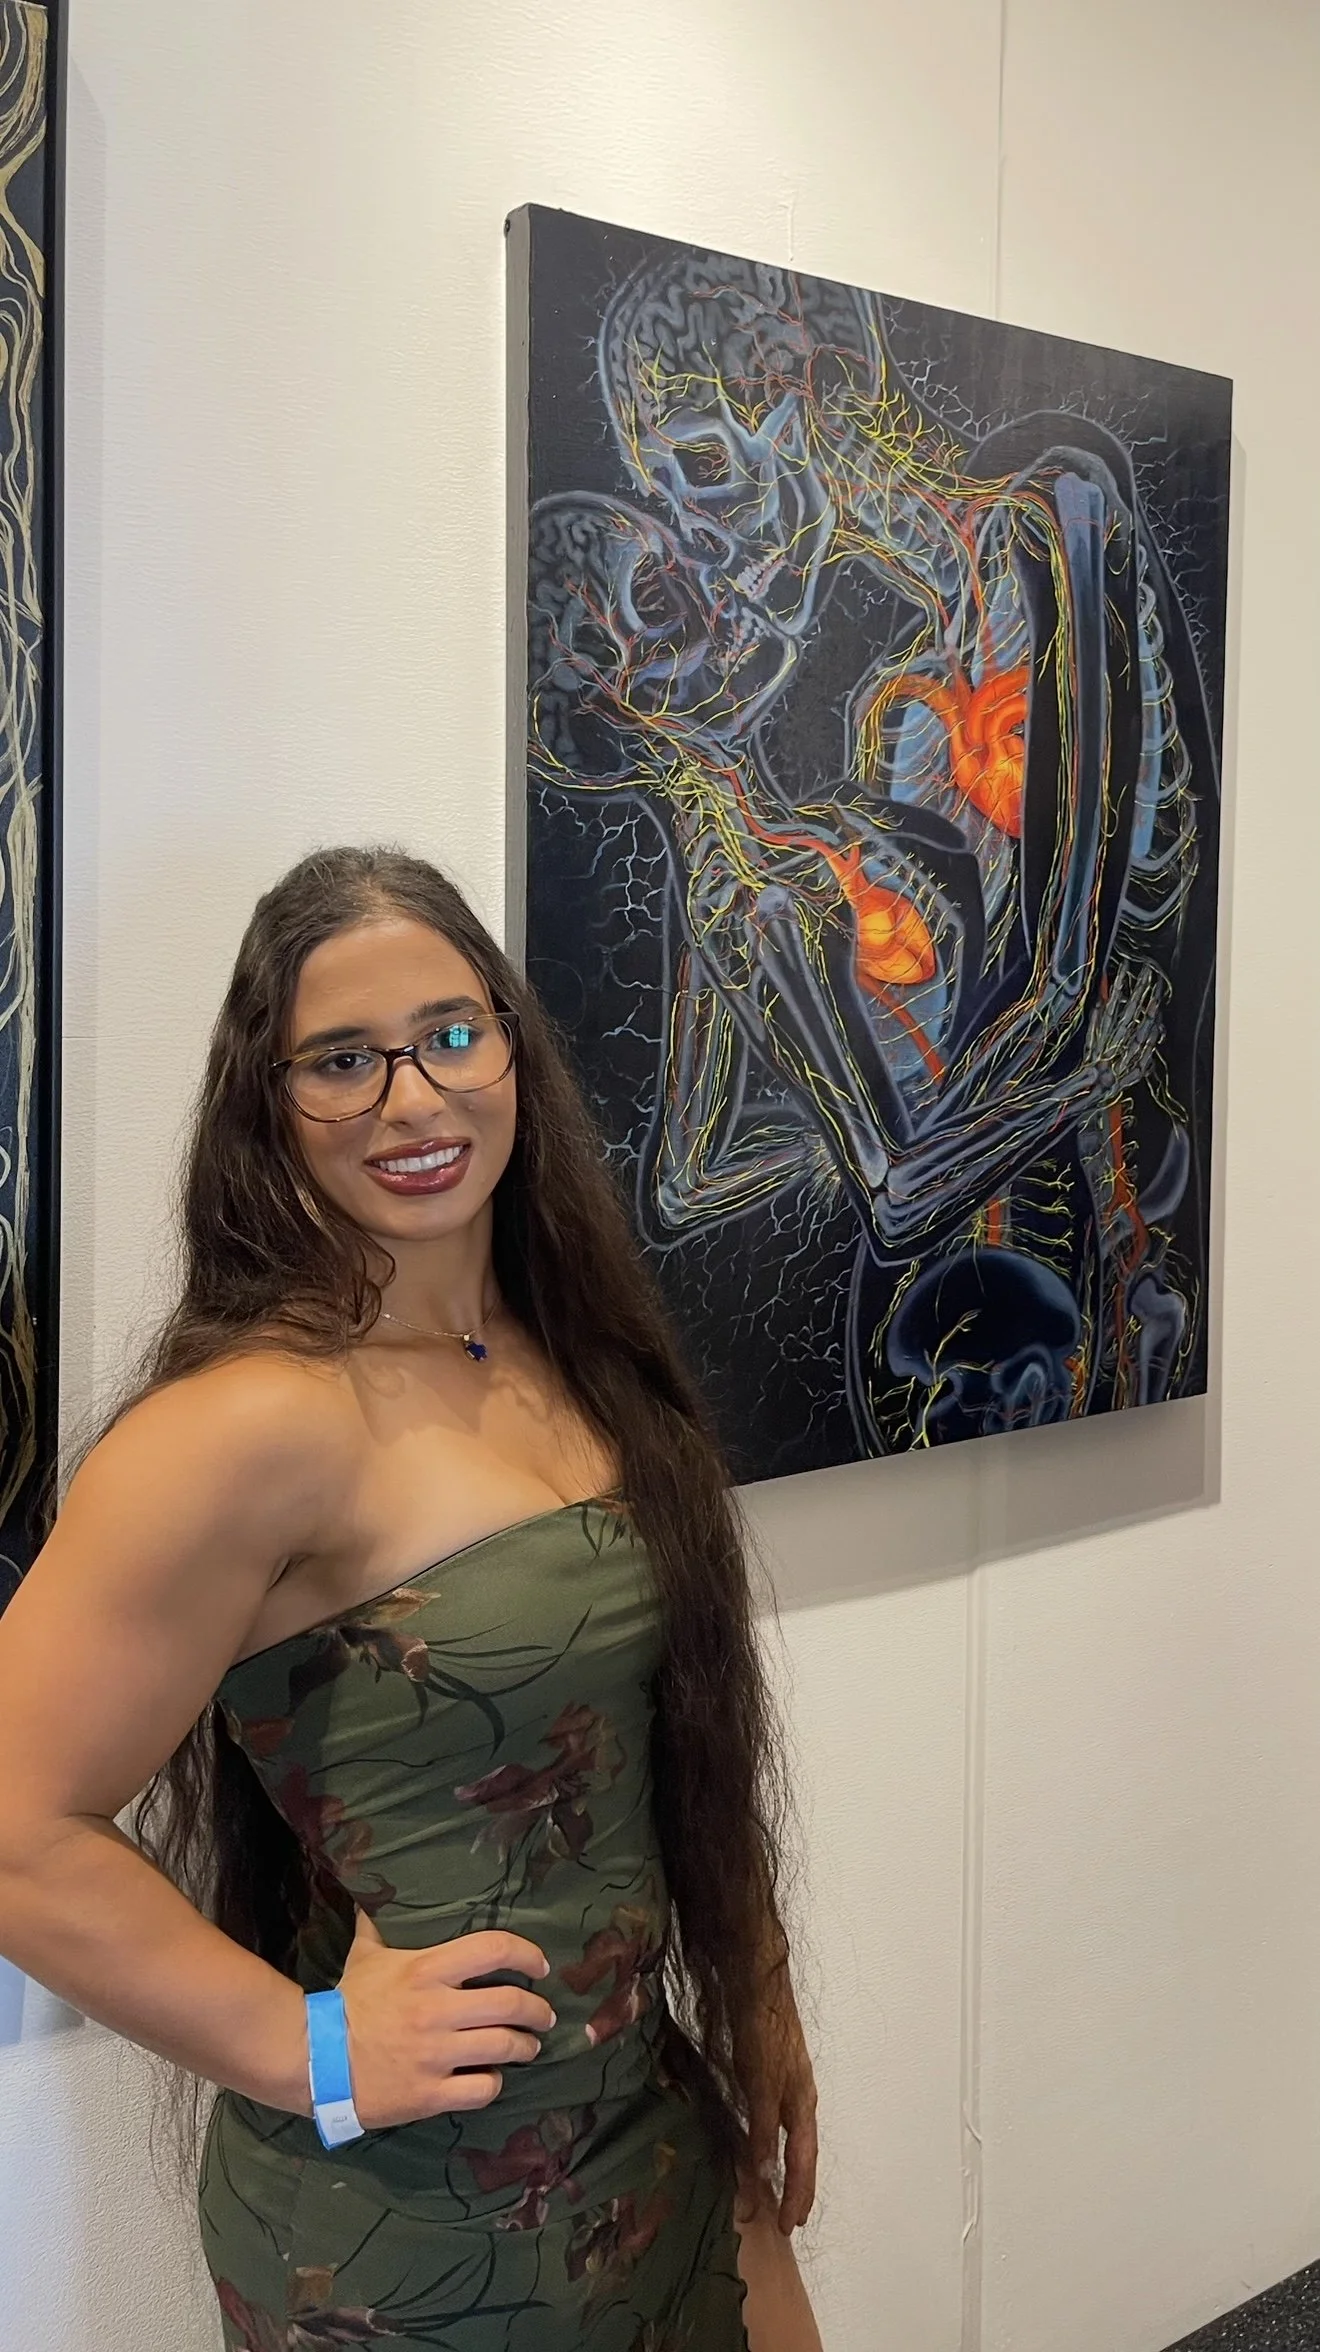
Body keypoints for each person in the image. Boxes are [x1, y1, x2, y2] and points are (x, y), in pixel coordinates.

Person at [0, 846, 822, 2351]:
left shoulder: (577, 1347)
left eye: (450, 1034)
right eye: (343, 1061)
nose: (413, 1099)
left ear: (513, 1046)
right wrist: (312, 2047)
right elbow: (13, 1828)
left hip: (647, 2118)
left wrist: (755, 1989)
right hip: (414, 2216)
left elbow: (677, 1732)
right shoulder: (248, 1425)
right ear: (266, 1100)